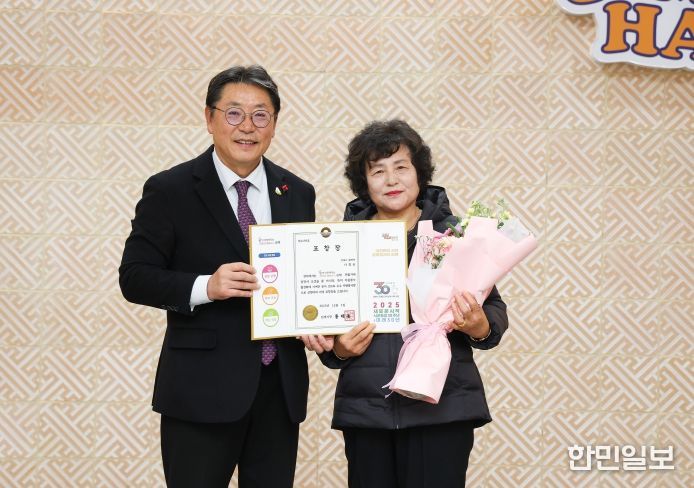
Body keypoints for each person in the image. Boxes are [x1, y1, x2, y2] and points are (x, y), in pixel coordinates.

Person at [119, 65, 316, 487]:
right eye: (234, 113)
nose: (247, 126)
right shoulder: (170, 190)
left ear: (274, 124)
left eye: (260, 115)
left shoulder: (297, 191)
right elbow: (134, 277)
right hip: (200, 391)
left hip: (279, 390)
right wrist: (205, 286)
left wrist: (317, 321)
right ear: (209, 118)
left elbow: (302, 279)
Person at [304, 119, 508, 487]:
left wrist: (480, 326)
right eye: (378, 171)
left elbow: (491, 311)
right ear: (364, 182)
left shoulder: (453, 236)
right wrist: (338, 349)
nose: (391, 180)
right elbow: (329, 331)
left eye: (401, 167)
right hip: (368, 411)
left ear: (420, 173)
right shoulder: (340, 242)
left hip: (441, 407)